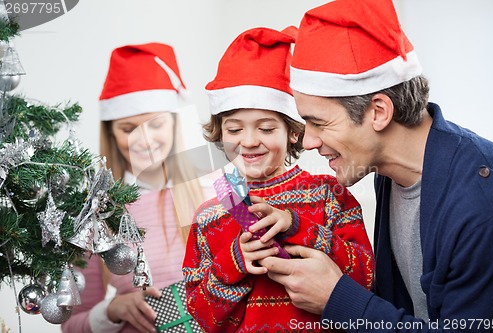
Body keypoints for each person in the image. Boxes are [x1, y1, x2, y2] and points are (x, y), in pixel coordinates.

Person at [259, 0, 493, 332]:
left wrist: (337, 299)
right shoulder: (388, 171)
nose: (307, 141)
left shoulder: (482, 204)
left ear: (378, 112)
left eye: (319, 123)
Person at [182, 26, 374, 333]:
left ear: (294, 132)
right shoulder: (208, 218)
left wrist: (297, 226)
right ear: (220, 134)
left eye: (266, 128)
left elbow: (365, 278)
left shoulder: (329, 194)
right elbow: (204, 319)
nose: (248, 141)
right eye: (234, 129)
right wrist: (234, 262)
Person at [61, 43, 207, 333]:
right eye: (128, 129)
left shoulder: (216, 187)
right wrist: (111, 311)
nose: (143, 140)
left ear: (175, 124)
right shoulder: (94, 214)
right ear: (112, 134)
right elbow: (69, 324)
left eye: (155, 125)